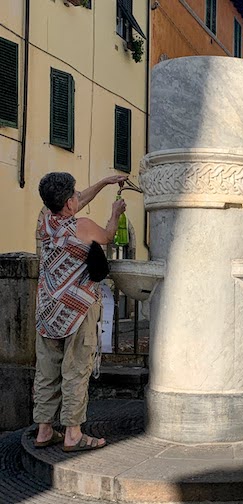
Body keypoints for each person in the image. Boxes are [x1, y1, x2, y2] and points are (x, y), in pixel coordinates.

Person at [33, 172, 127, 452]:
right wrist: (115, 212)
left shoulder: (46, 222)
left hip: (48, 310)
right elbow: (108, 236)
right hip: (76, 310)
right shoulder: (83, 227)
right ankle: (73, 434)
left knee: (47, 370)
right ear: (70, 205)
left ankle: (44, 430)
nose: (78, 196)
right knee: (75, 371)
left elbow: (80, 199)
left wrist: (104, 182)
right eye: (74, 195)